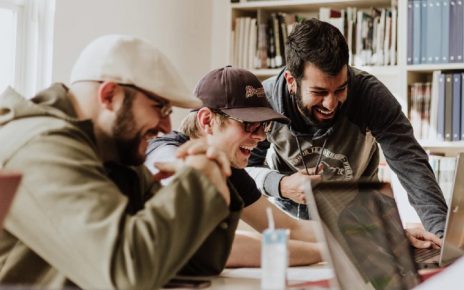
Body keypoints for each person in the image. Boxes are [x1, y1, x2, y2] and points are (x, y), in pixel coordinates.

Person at [0, 35, 234, 289]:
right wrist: (198, 181)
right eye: (160, 108)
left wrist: (210, 177)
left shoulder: (114, 153)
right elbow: (126, 274)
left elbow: (196, 262)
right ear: (110, 95)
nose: (167, 127)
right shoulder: (42, 147)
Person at [246, 18, 448, 238]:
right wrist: (281, 185)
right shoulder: (265, 102)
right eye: (319, 92)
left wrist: (441, 236)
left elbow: (411, 165)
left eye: (340, 89)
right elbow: (245, 169)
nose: (330, 104)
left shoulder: (370, 96)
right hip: (291, 226)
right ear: (291, 81)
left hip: (360, 225)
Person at [145, 66, 323, 268]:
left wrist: (353, 237)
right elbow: (213, 245)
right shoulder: (165, 153)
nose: (261, 137)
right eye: (249, 124)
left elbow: (289, 228)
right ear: (207, 120)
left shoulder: (228, 168)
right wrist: (326, 253)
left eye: (264, 126)